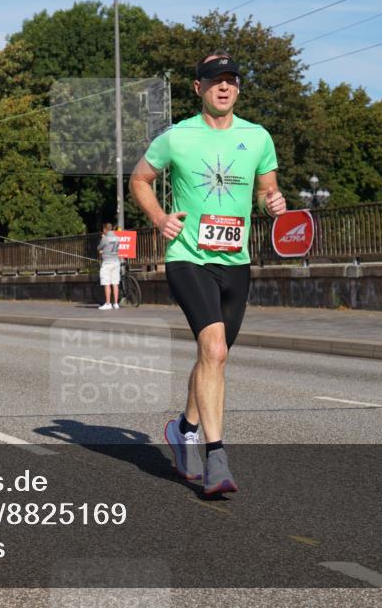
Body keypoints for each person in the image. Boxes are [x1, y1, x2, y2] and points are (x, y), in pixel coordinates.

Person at [129, 51, 286, 496]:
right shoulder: (177, 137)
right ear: (197, 87)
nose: (224, 86)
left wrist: (273, 204)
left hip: (236, 262)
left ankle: (184, 428)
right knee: (213, 347)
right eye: (215, 80)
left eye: (231, 80)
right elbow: (139, 179)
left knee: (213, 355)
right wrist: (160, 219)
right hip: (188, 257)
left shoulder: (257, 137)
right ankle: (216, 456)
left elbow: (267, 191)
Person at [97, 222, 121, 310]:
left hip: (107, 263)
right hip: (116, 261)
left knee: (107, 283)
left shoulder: (105, 238)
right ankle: (116, 303)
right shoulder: (118, 238)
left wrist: (102, 240)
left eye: (103, 229)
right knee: (115, 283)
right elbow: (113, 249)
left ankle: (108, 303)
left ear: (105, 229)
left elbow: (99, 248)